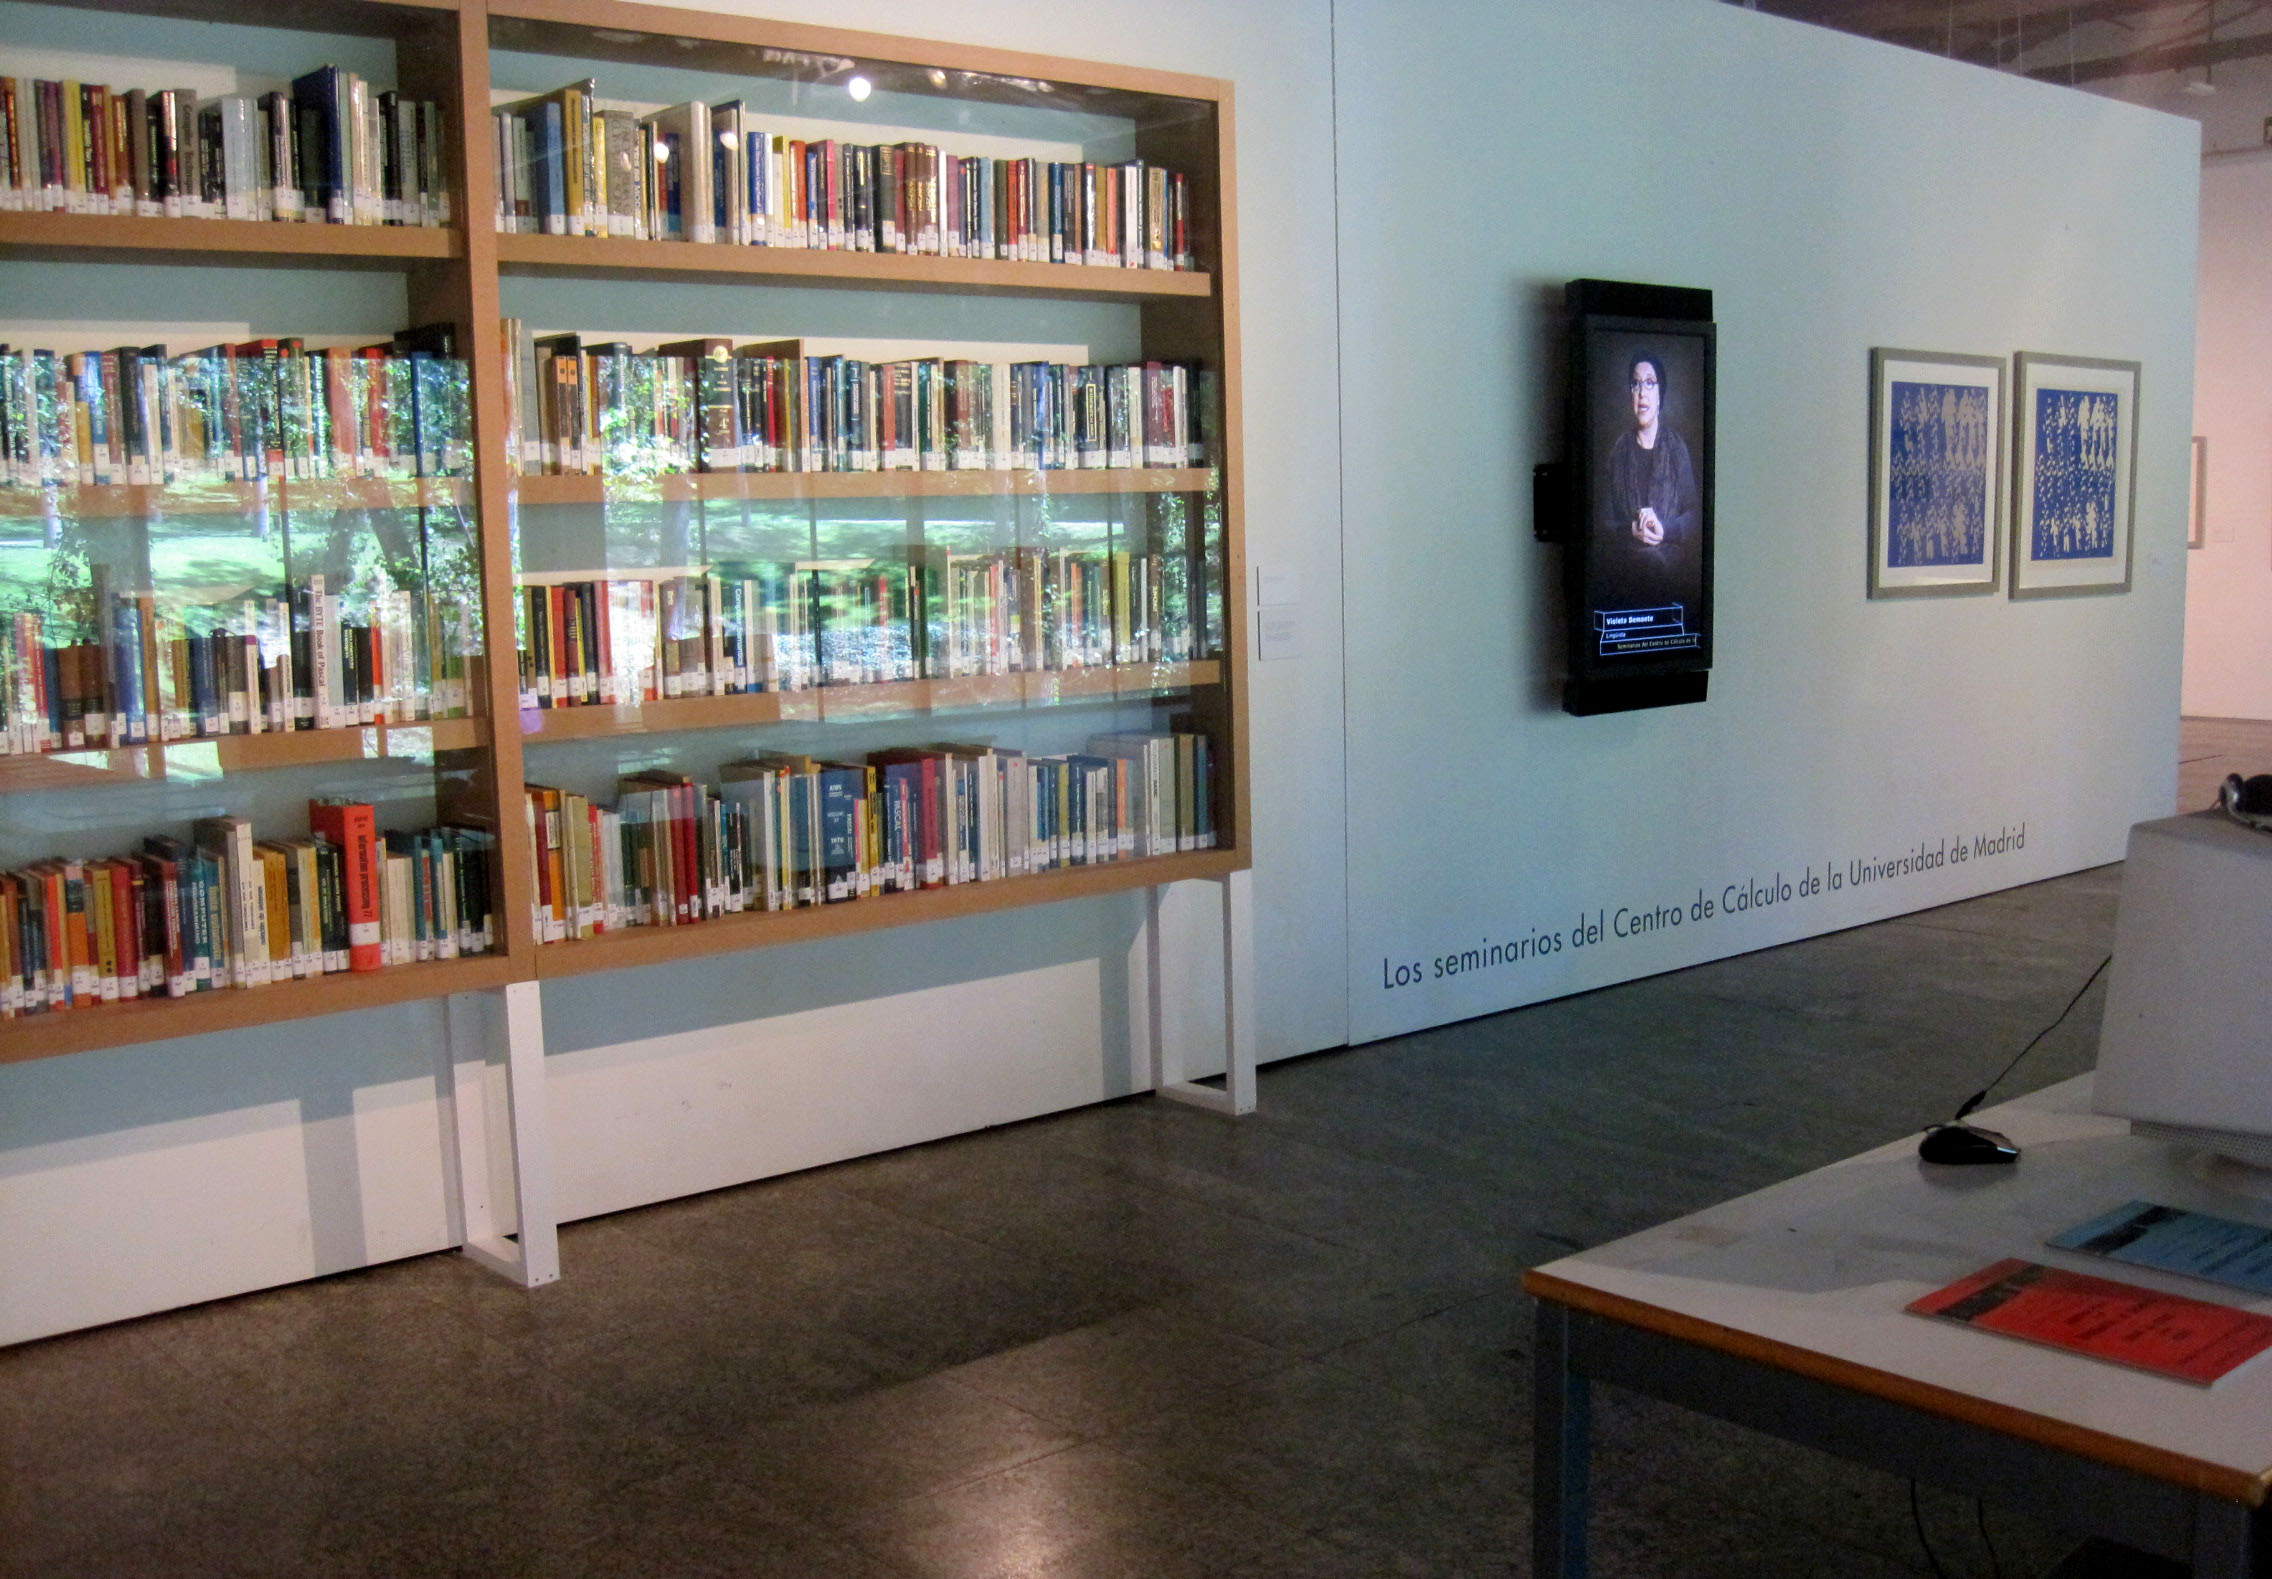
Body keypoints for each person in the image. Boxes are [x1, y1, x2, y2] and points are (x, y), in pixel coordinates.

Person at [1598, 351, 1700, 611]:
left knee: (1656, 566)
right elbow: (1602, 523)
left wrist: (1665, 529)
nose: (1642, 392)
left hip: (1670, 566)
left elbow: (1695, 516)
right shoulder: (1618, 451)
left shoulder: (1676, 448)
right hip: (1626, 565)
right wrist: (1631, 530)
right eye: (1636, 383)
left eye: (1650, 383)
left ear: (1660, 394)